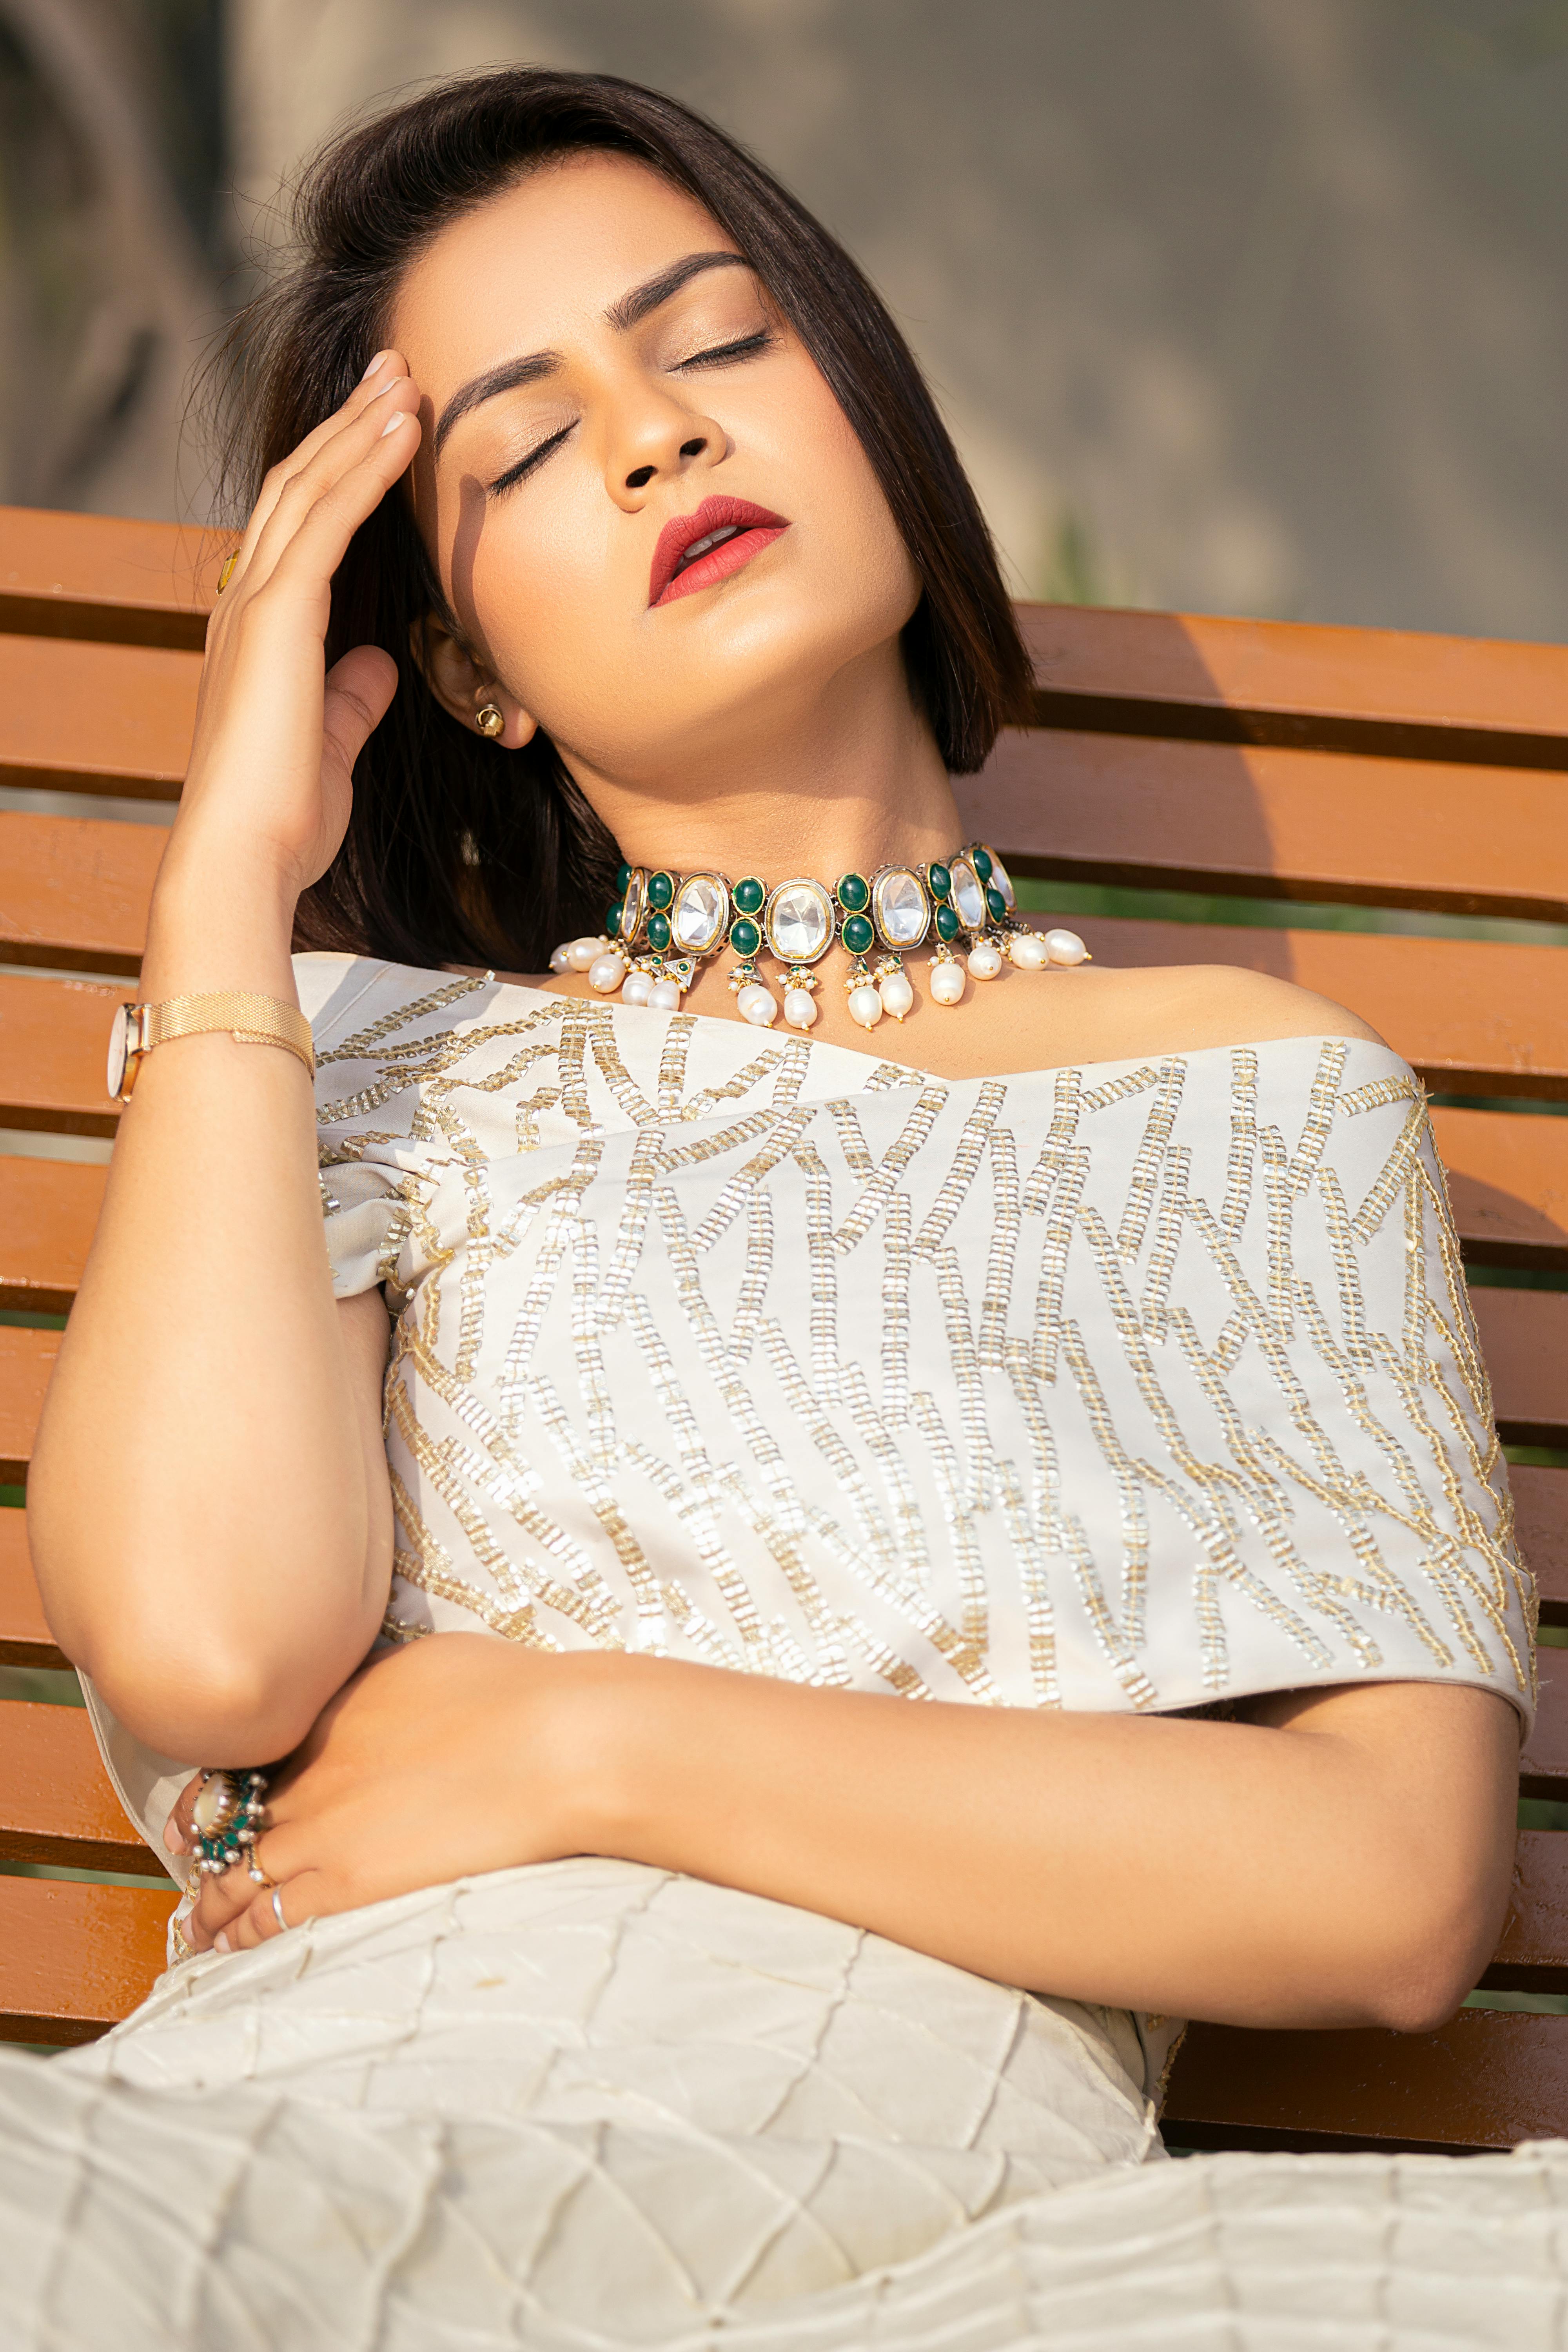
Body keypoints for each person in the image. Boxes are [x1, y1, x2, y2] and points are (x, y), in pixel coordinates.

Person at [2, 66, 1548, 2351]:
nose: (654, 438)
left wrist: (583, 1739)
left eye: (716, 342)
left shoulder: (1256, 1102)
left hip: (898, 2162)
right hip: (315, 2107)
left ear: (866, 404)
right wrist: (222, 892)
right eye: (525, 448)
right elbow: (220, 1651)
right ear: (458, 668)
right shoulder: (380, 1065)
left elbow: (1396, 1887)